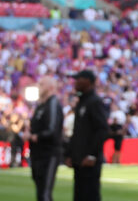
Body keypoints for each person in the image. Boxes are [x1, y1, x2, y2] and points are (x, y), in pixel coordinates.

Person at [64, 70, 109, 201]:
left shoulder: (94, 102)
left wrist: (92, 155)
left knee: (90, 195)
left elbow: (102, 130)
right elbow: (77, 132)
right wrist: (69, 154)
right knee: (79, 196)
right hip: (79, 160)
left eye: (79, 79)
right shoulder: (82, 102)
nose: (75, 82)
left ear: (88, 82)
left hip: (89, 161)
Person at [24, 76, 63, 201]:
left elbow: (52, 130)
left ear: (51, 87)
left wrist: (35, 136)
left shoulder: (52, 103)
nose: (39, 87)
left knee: (45, 193)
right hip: (37, 153)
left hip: (48, 153)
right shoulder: (41, 105)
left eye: (42, 84)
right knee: (40, 191)